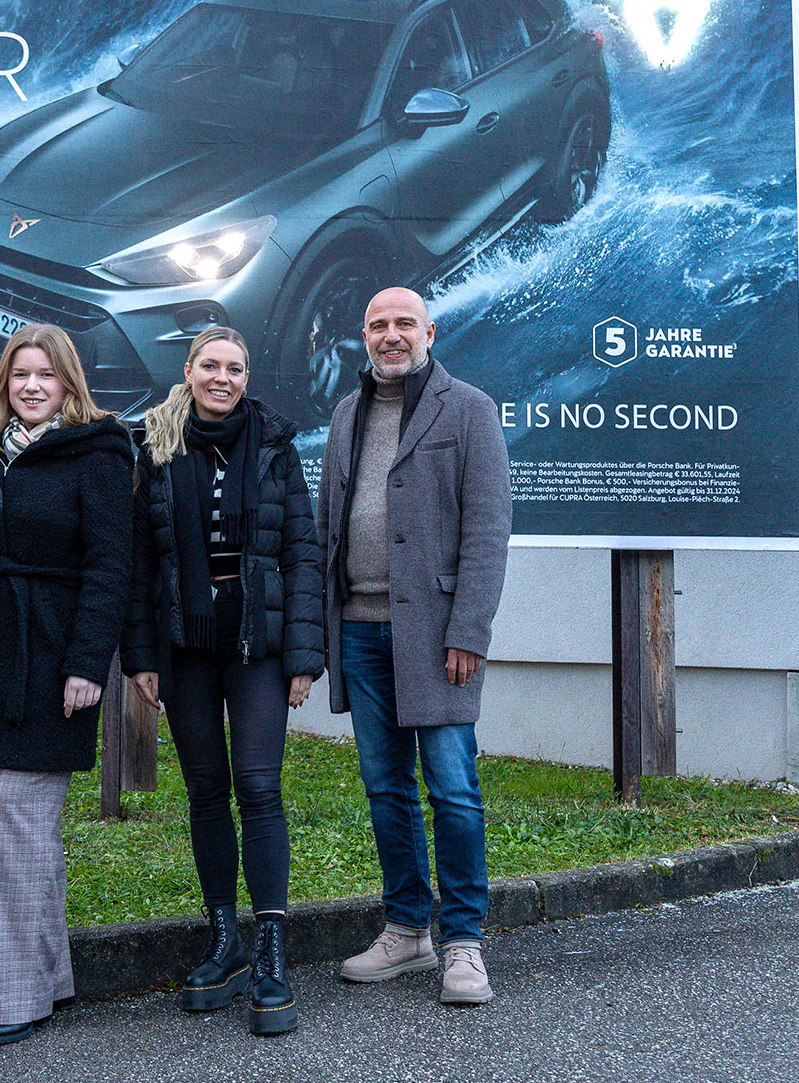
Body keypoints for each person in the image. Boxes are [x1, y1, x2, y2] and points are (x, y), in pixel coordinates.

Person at [122, 326, 325, 1036]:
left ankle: (270, 950)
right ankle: (225, 941)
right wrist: (141, 656)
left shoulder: (274, 446)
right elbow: (140, 563)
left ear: (247, 375)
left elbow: (303, 553)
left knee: (259, 786)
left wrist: (303, 656)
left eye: (235, 367)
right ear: (188, 370)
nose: (223, 377)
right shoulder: (153, 446)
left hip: (259, 643)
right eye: (210, 365)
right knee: (205, 789)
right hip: (185, 642)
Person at [317, 287, 512, 1006]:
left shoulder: (469, 410)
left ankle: (463, 942)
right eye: (377, 325)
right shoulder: (345, 415)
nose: (390, 336)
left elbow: (489, 534)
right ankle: (406, 929)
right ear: (363, 336)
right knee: (384, 787)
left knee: (453, 791)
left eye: (404, 323)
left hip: (436, 638)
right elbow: (325, 531)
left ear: (430, 331)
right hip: (361, 633)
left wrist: (469, 631)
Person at [0, 323, 134, 1047]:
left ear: (68, 385)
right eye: (19, 375)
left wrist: (88, 665)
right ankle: (51, 974)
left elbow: (111, 567)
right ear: (4, 384)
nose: (30, 386)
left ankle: (13, 996)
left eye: (45, 376)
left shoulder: (99, 455)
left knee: (21, 822)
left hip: (54, 660)